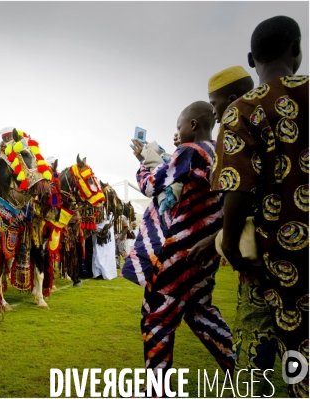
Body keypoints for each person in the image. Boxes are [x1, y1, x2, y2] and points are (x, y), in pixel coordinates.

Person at [211, 16, 308, 398]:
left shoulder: (241, 111)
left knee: (254, 362)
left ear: (252, 60)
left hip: (268, 263)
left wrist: (231, 243)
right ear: (297, 50)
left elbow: (237, 188)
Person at [129, 101, 235, 391]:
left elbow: (152, 185)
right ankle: (240, 366)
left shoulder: (190, 152)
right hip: (205, 252)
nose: (176, 134)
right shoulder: (220, 151)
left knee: (157, 319)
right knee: (201, 313)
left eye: (179, 127)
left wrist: (142, 163)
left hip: (176, 255)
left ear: (192, 125)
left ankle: (156, 390)